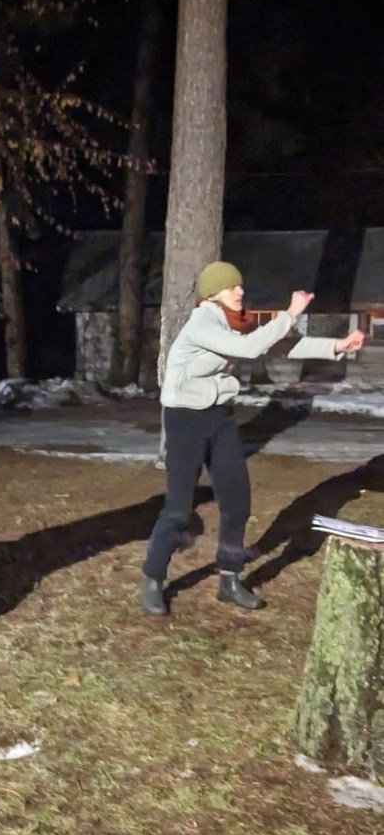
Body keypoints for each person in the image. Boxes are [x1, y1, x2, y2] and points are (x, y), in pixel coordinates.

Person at [140, 260, 365, 617]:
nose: (240, 291)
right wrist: (289, 313)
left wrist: (337, 345)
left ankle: (229, 579)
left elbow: (279, 346)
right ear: (213, 294)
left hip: (220, 417)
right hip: (185, 418)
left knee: (237, 502)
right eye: (232, 287)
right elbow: (251, 349)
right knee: (179, 508)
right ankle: (153, 579)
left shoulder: (235, 323)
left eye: (240, 286)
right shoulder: (202, 323)